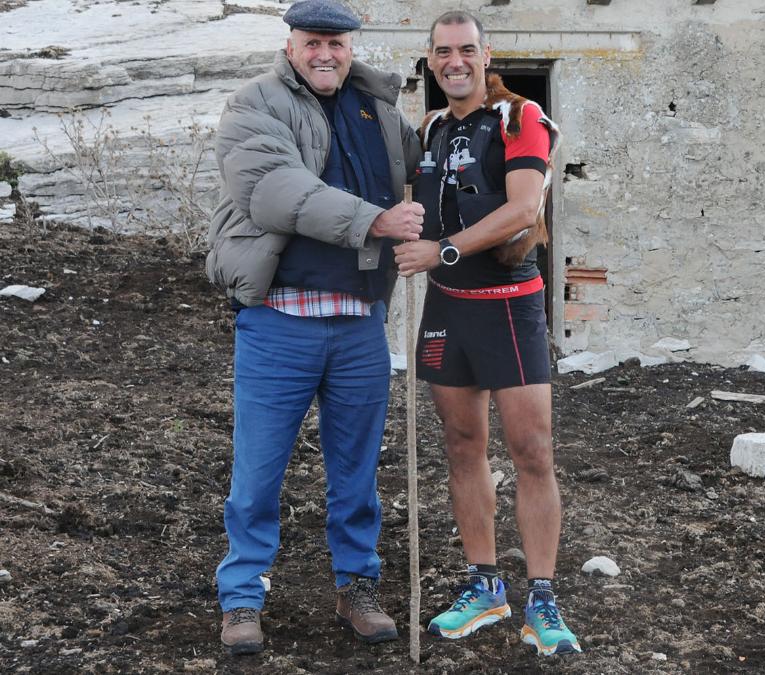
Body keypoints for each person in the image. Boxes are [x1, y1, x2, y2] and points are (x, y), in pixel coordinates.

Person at [204, 0, 424, 655]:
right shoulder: (255, 104)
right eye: (313, 41)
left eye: (336, 42)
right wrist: (374, 222)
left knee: (356, 474)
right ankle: (242, 595)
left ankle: (357, 585)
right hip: (279, 320)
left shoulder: (379, 111)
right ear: (292, 43)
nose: (325, 53)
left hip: (358, 325)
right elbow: (274, 187)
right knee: (258, 473)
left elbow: (426, 171)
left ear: (351, 45)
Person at [393, 9, 580, 657]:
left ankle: (544, 597)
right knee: (462, 445)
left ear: (485, 53)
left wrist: (441, 250)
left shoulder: (522, 117)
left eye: (466, 49)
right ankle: (485, 585)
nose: (455, 61)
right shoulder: (431, 129)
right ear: (432, 59)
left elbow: (524, 207)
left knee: (531, 450)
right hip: (448, 311)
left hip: (509, 304)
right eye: (443, 50)